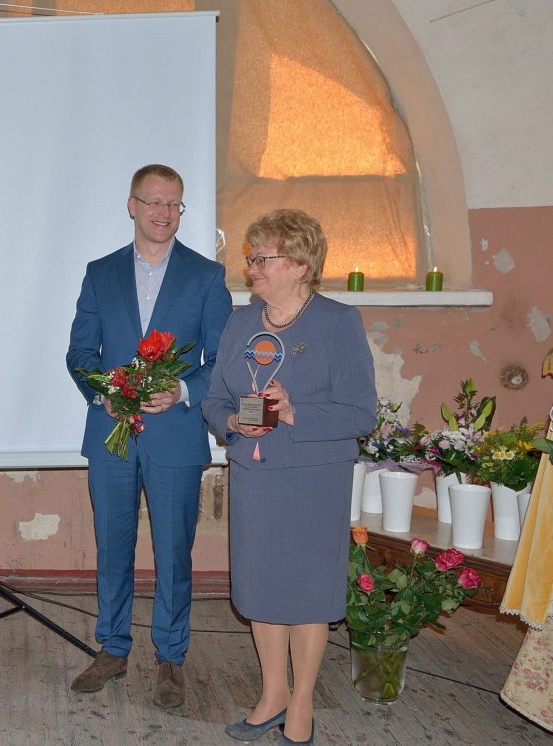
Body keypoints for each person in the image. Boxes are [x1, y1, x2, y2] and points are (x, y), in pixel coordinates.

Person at [203, 209, 376, 745]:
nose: (252, 267)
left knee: (306, 594)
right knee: (262, 588)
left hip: (314, 479)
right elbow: (214, 398)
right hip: (255, 476)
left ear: (300, 264)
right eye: (251, 257)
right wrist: (232, 423)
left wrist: (297, 412)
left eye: (263, 258)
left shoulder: (338, 322)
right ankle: (273, 694)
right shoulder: (240, 322)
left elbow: (362, 413)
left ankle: (302, 704)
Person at [66, 164, 232, 705]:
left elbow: (222, 360)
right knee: (112, 549)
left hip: (176, 437)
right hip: (110, 433)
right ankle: (112, 648)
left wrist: (183, 390)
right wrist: (104, 392)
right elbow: (80, 353)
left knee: (174, 553)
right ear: (132, 205)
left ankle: (171, 658)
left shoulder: (206, 276)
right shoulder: (100, 273)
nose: (163, 213)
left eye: (173, 204)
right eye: (153, 201)